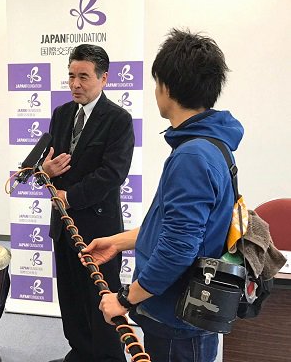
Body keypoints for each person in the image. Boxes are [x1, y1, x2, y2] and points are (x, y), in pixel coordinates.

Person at [82, 29, 243, 362]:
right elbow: (173, 228)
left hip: (176, 318)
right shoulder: (210, 146)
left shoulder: (192, 156)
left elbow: (178, 248)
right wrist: (117, 242)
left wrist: (125, 299)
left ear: (166, 87)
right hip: (185, 312)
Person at [42, 43, 134, 362]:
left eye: (83, 77)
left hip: (99, 229)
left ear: (103, 78)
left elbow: (113, 173)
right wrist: (45, 171)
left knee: (102, 301)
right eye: (71, 76)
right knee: (71, 299)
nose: (75, 84)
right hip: (63, 226)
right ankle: (80, 353)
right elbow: (45, 161)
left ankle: (108, 358)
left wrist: (69, 197)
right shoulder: (61, 114)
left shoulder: (118, 119)